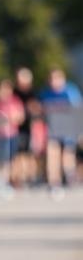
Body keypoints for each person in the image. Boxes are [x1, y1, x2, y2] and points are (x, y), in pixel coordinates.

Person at [39, 67, 83, 195]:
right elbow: (39, 108)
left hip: (68, 129)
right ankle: (54, 181)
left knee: (67, 155)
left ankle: (69, 176)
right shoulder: (46, 93)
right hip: (53, 129)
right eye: (51, 79)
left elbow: (78, 112)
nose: (54, 82)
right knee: (52, 153)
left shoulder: (71, 91)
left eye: (57, 79)